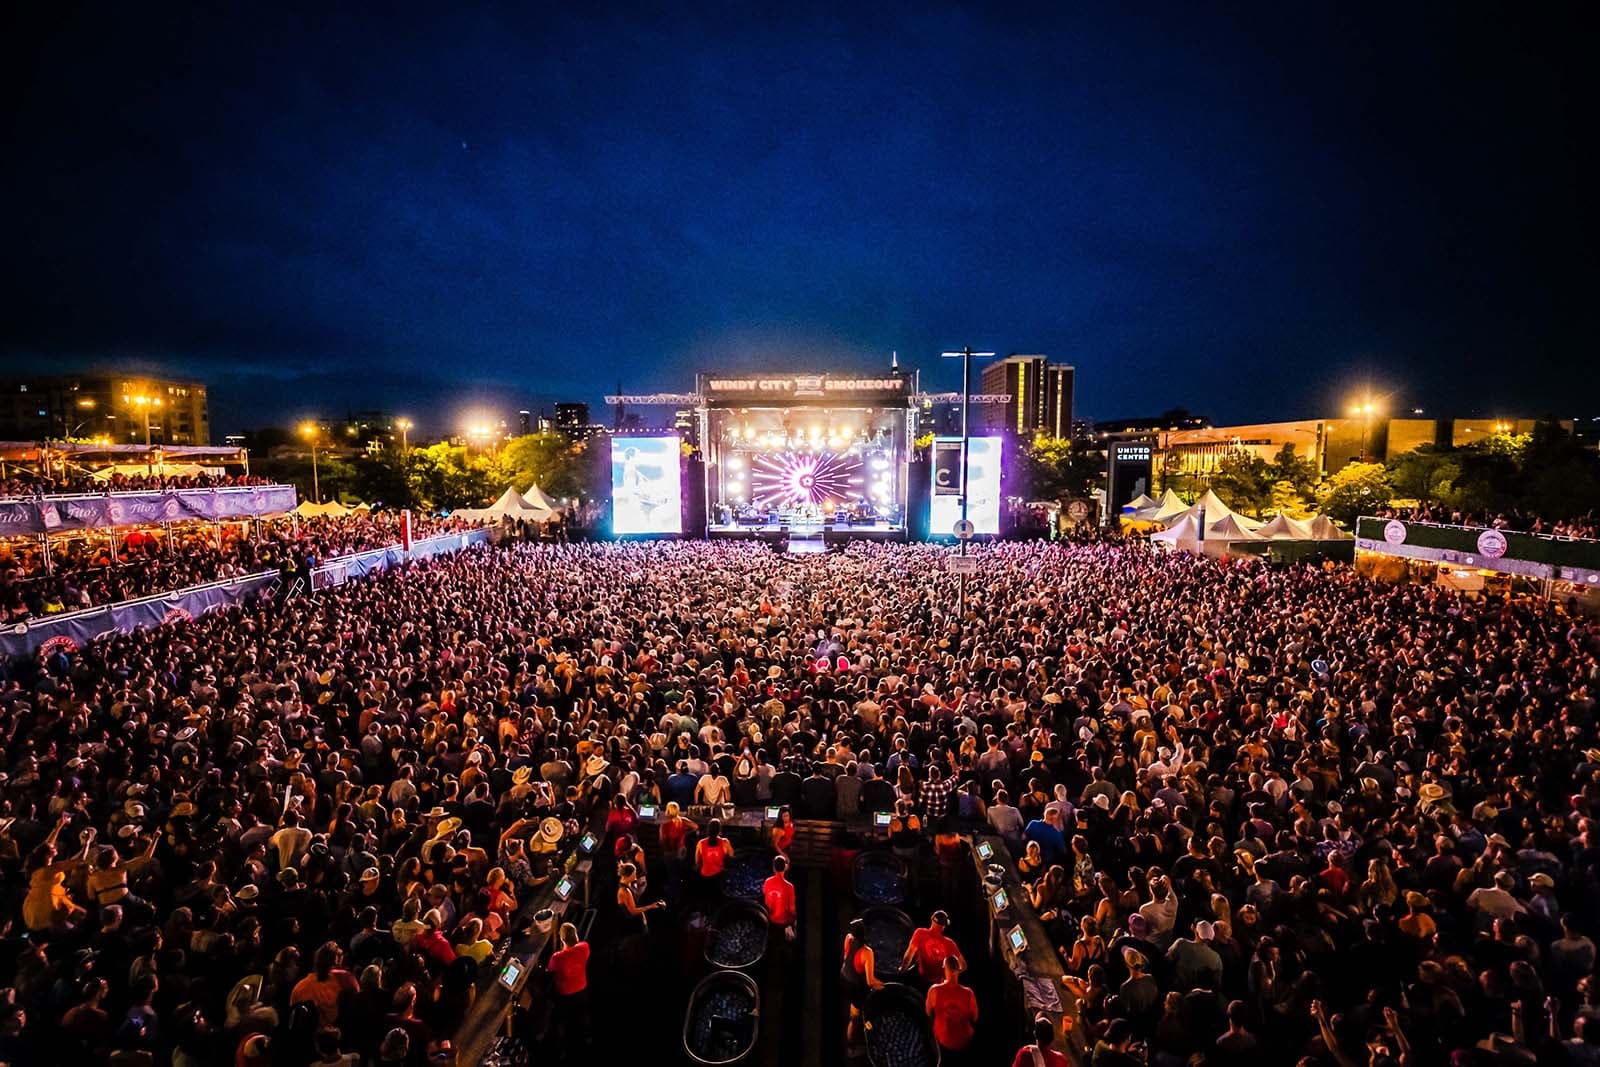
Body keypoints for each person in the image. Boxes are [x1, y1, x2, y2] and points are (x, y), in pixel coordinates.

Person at [547, 922, 591, 1056]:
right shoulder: (584, 947)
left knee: (563, 1020)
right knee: (582, 1016)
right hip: (582, 989)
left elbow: (550, 969)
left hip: (564, 994)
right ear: (576, 935)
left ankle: (564, 1049)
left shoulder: (557, 957)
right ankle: (586, 1040)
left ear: (562, 939)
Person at [926, 953, 978, 1062]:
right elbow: (975, 1018)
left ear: (945, 969)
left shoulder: (934, 990)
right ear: (959, 970)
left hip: (943, 1041)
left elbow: (928, 1012)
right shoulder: (969, 993)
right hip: (965, 1041)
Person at [841, 917, 885, 1044]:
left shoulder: (848, 937)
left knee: (854, 1005)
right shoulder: (867, 952)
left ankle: (855, 1010)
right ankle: (851, 1046)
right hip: (853, 986)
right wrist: (882, 985)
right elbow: (870, 981)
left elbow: (846, 957)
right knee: (854, 1018)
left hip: (843, 977)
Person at [905, 910, 965, 985]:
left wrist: (902, 970)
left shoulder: (920, 933)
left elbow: (910, 953)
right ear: (944, 926)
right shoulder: (949, 943)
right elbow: (963, 965)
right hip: (937, 984)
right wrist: (950, 977)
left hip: (921, 980)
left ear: (932, 920)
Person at [694, 818, 734, 900]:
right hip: (719, 876)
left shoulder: (701, 843)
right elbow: (731, 854)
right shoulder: (724, 842)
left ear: (708, 829)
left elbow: (697, 863)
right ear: (719, 829)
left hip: (704, 876)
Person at [763, 854, 798, 942]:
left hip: (770, 920)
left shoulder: (767, 882)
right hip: (784, 922)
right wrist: (792, 922)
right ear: (785, 868)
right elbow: (792, 908)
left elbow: (765, 897)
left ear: (774, 868)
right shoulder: (789, 887)